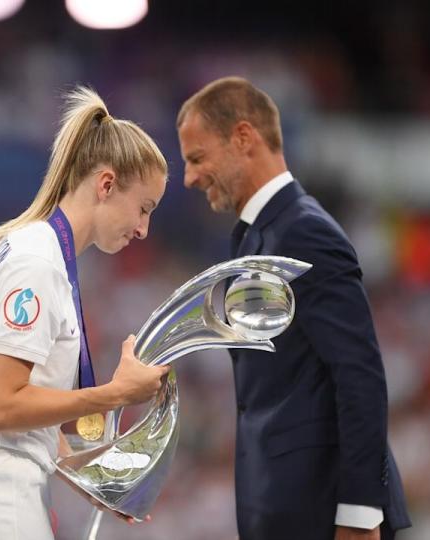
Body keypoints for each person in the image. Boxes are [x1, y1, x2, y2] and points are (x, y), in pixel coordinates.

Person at [0, 87, 171, 539]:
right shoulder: (39, 261)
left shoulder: (34, 249)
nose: (143, 229)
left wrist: (102, 483)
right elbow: (1, 407)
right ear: (107, 184)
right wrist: (115, 393)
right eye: (143, 208)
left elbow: (23, 411)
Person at [176, 76, 413, 540]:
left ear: (244, 138)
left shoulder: (304, 232)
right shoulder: (260, 235)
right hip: (285, 505)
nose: (189, 177)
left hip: (322, 512)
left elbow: (359, 375)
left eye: (197, 158)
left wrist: (361, 512)